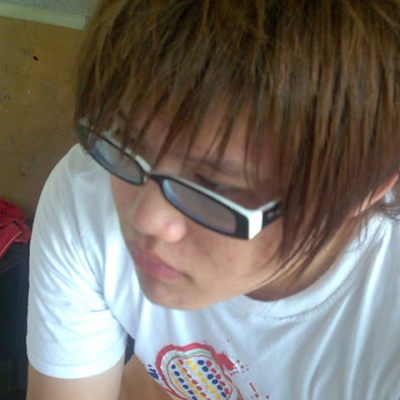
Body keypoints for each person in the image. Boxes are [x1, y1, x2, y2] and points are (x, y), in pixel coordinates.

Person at [26, 1, 400, 399]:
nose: (144, 216)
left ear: (361, 192)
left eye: (215, 185)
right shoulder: (91, 186)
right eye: (129, 141)